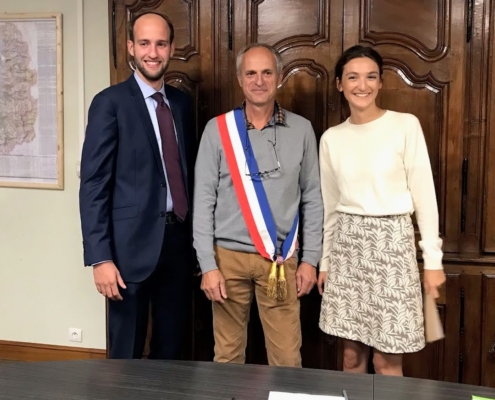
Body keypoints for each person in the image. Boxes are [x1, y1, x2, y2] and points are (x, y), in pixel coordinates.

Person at [317, 45, 446, 376]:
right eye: (353, 77)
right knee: (351, 358)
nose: (363, 85)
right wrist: (326, 262)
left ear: (381, 82)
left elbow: (425, 198)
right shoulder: (332, 139)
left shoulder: (405, 126)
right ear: (339, 84)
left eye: (371, 77)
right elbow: (331, 208)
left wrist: (433, 262)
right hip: (348, 247)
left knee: (387, 361)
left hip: (393, 245)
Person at [193, 43, 323, 367]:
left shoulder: (302, 129)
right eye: (251, 73)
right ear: (240, 79)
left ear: (279, 78)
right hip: (227, 259)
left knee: (287, 359)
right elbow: (203, 200)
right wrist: (207, 265)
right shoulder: (217, 130)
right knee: (227, 357)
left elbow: (313, 198)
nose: (259, 80)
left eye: (267, 72)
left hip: (280, 260)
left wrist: (311, 261)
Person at [79, 11, 196, 359]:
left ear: (172, 48)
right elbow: (93, 185)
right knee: (125, 356)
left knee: (172, 351)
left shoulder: (182, 103)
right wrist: (100, 258)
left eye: (161, 44)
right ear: (131, 47)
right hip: (127, 253)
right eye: (144, 43)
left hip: (178, 246)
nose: (153, 52)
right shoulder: (109, 103)